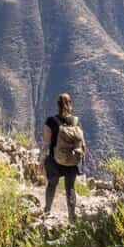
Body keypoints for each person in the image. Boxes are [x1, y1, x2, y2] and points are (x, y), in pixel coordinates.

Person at [40, 92, 86, 222]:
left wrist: (41, 161)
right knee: (70, 187)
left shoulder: (50, 121)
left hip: (55, 160)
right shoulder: (76, 121)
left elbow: (46, 144)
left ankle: (47, 211)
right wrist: (81, 159)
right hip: (72, 160)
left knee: (52, 184)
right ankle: (72, 218)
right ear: (70, 104)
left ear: (57, 105)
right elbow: (82, 143)